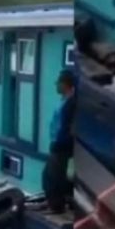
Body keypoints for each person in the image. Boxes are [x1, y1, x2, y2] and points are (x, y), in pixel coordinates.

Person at [43, 69, 76, 214]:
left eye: (58, 83)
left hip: (62, 145)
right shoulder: (64, 100)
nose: (56, 85)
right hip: (57, 142)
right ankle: (56, 202)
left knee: (52, 176)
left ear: (65, 84)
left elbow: (69, 127)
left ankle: (56, 206)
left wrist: (61, 142)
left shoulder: (71, 103)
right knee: (55, 175)